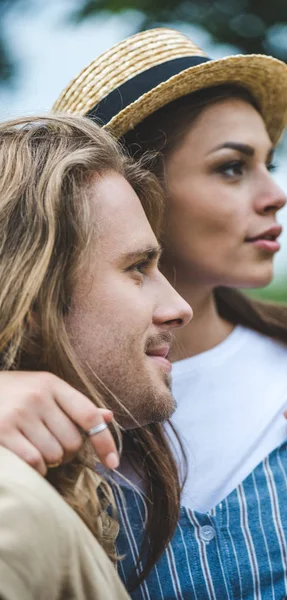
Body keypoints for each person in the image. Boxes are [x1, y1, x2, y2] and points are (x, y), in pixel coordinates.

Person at [1, 28, 287, 599]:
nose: (276, 194)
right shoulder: (45, 403)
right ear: (134, 191)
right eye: (232, 167)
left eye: (269, 164)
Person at [0, 114, 192, 600]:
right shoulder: (12, 509)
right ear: (35, 300)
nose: (179, 308)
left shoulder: (63, 484)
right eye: (137, 268)